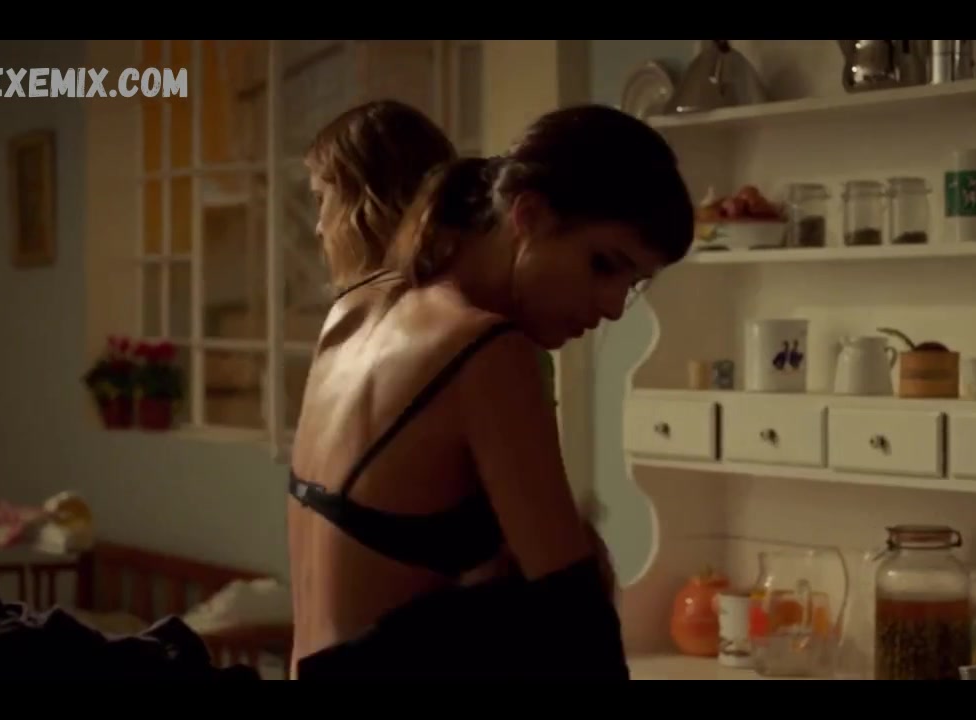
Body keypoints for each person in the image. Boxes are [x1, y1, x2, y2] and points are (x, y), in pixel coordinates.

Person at [286, 103, 695, 679]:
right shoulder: (488, 351)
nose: (612, 307)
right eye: (603, 265)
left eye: (632, 286)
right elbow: (578, 625)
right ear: (528, 215)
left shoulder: (355, 308)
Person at [304, 98, 457, 290]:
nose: (319, 228)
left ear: (369, 207)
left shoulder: (366, 305)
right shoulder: (467, 290)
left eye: (321, 199)